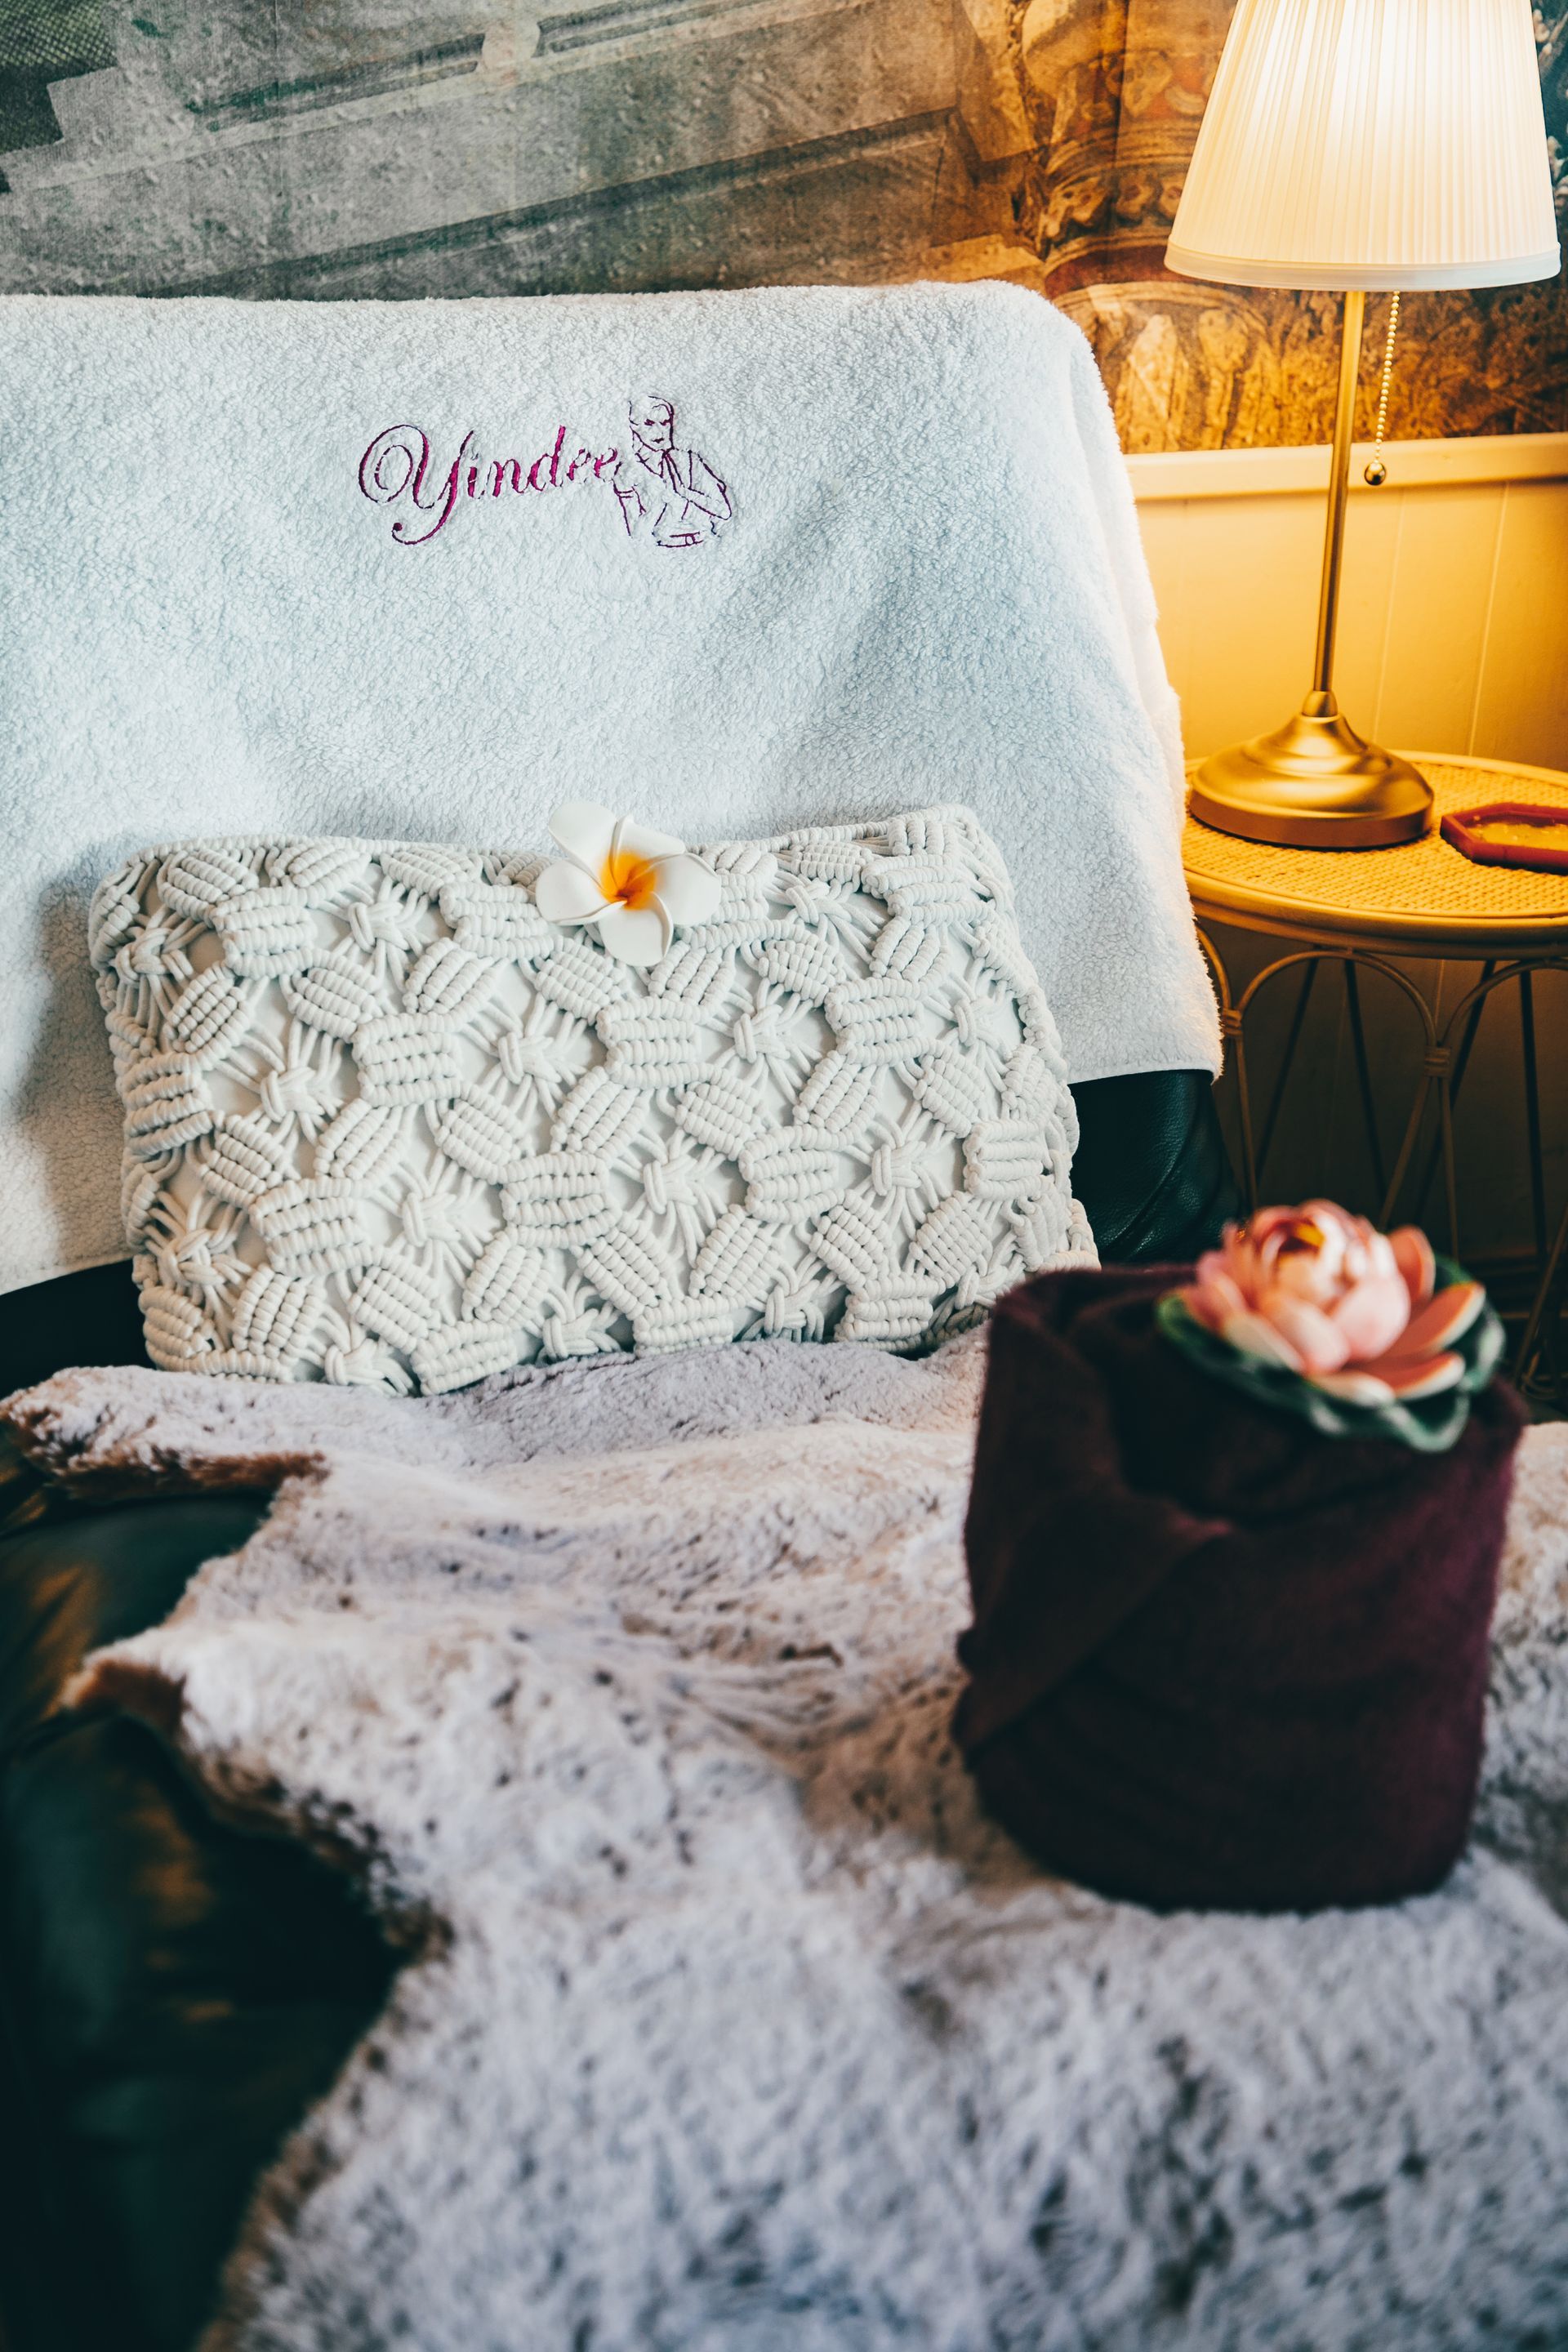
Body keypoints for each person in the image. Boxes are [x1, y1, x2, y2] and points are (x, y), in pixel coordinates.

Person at [612, 395, 730, 549]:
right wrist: (660, 500)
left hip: (707, 546)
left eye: (664, 423)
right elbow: (638, 534)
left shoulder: (688, 461)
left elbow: (723, 511)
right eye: (649, 424)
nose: (659, 431)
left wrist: (684, 491)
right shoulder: (629, 473)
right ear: (635, 428)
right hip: (658, 557)